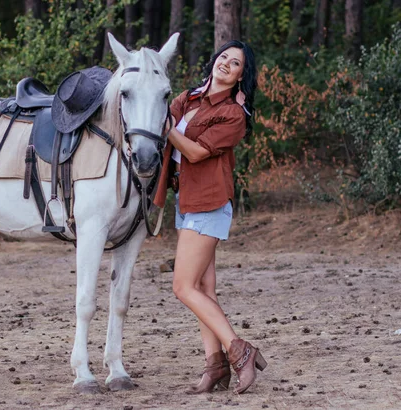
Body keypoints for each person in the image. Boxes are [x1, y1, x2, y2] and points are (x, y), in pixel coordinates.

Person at [153, 40, 265, 394]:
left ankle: (240, 351)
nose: (226, 64)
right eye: (224, 57)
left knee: (182, 286)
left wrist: (166, 126)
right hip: (186, 199)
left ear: (240, 77)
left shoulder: (233, 114)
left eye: (235, 64)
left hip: (210, 202)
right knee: (203, 288)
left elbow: (196, 152)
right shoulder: (189, 97)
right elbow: (159, 111)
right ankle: (215, 365)